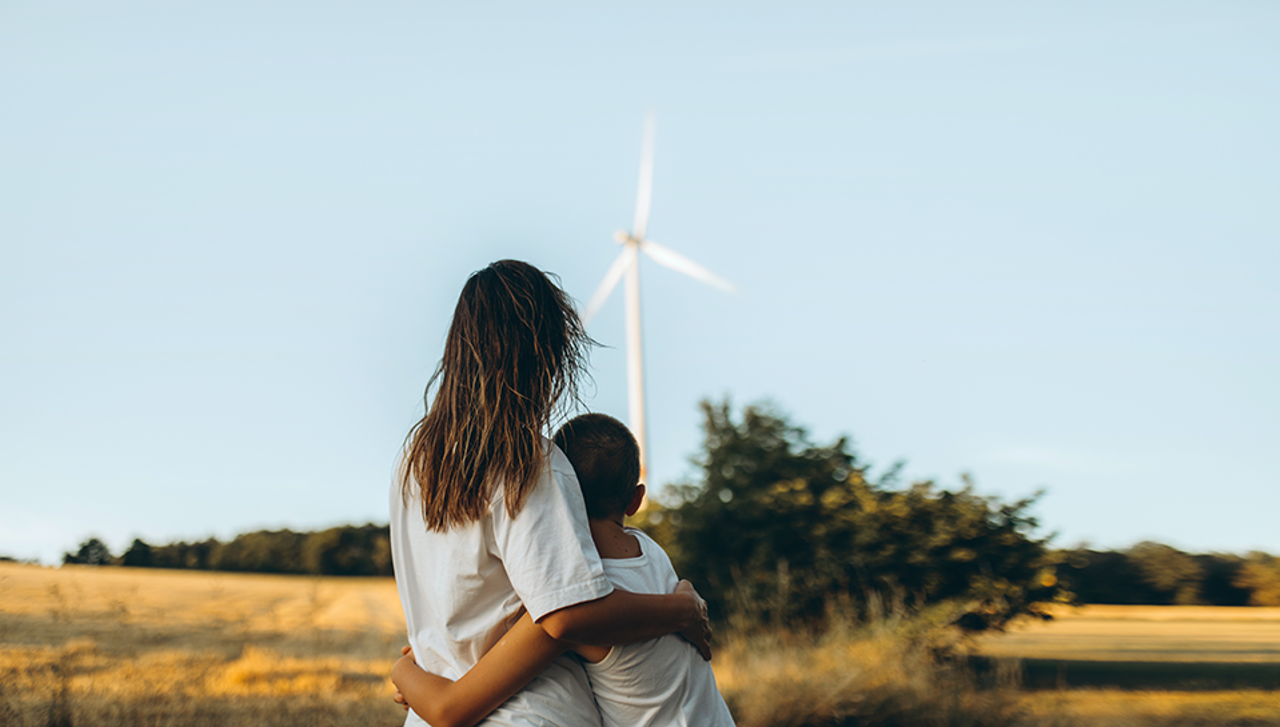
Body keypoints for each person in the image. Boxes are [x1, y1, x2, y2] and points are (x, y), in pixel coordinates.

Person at [390, 260, 710, 727]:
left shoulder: (413, 461)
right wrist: (682, 608)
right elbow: (567, 614)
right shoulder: (529, 461)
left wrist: (410, 671)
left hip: (434, 707)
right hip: (533, 714)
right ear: (546, 353)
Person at [393, 412, 735, 727]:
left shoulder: (577, 609)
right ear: (636, 499)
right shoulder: (653, 553)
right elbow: (681, 590)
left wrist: (407, 671)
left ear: (557, 493)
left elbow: (452, 706)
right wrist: (688, 601)